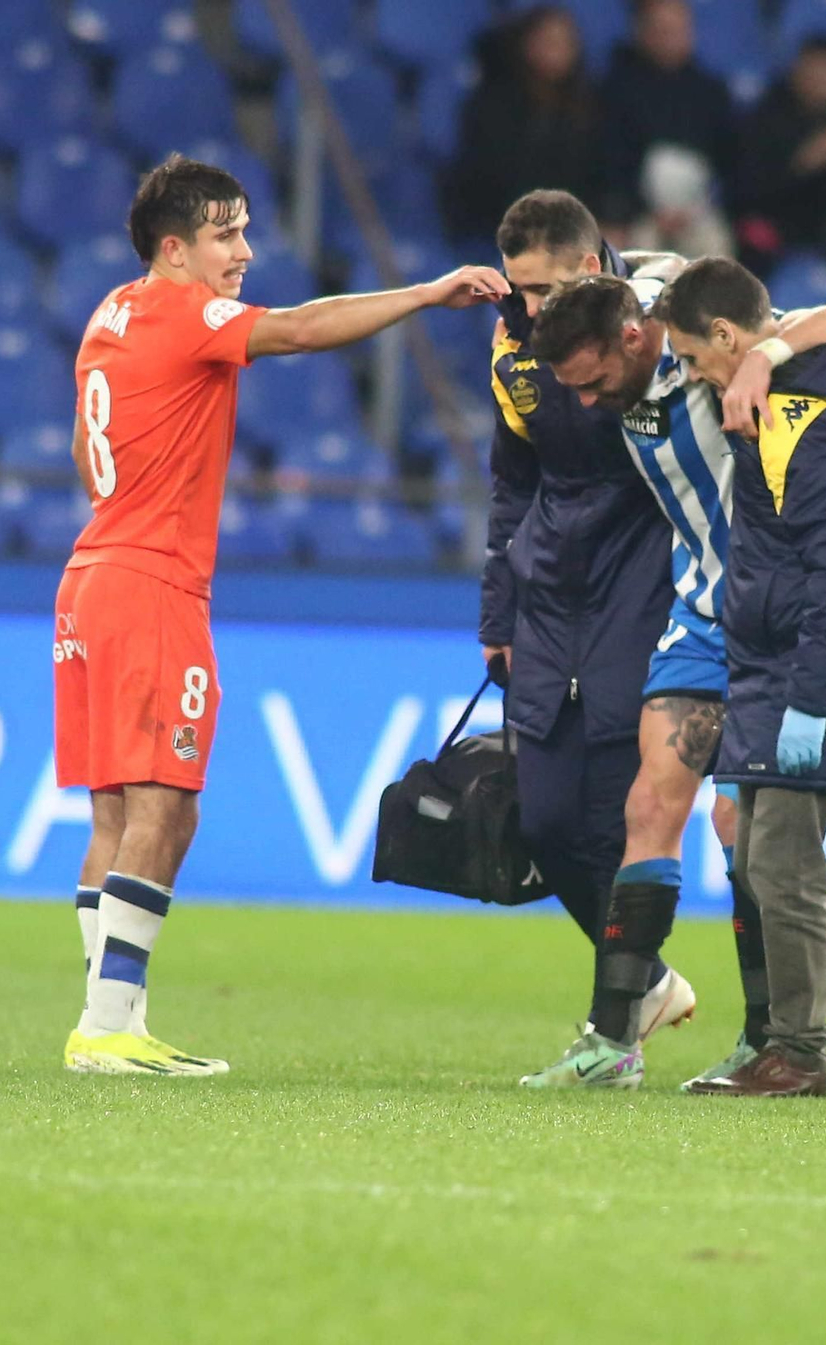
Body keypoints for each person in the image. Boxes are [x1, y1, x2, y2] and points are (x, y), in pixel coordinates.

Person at [57, 156, 507, 1075]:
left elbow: (81, 445)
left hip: (92, 572)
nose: (246, 251)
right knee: (164, 802)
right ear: (176, 249)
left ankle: (112, 1021)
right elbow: (299, 330)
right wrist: (425, 292)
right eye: (227, 235)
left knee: (119, 811)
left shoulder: (113, 311)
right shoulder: (185, 313)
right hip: (149, 585)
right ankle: (106, 1027)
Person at [519, 267, 826, 1091]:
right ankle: (616, 1037)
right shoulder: (628, 345)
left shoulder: (715, 351)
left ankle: (784, 1036)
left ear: (638, 339)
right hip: (713, 605)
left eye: (599, 380)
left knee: (753, 842)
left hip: (787, 618)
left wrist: (763, 355)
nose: (595, 401)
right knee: (664, 809)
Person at [481, 189, 695, 1054]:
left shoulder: (663, 311)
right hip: (548, 593)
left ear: (591, 266)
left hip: (643, 576)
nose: (528, 312)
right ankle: (644, 979)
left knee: (610, 814)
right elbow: (513, 482)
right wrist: (497, 610)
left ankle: (615, 1032)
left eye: (540, 292)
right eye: (517, 292)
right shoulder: (512, 349)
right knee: (544, 820)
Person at [446, 6, 605, 241]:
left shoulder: (587, 103)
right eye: (549, 42)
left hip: (575, 228)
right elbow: (491, 183)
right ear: (527, 46)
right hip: (507, 227)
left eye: (566, 42)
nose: (559, 51)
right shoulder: (493, 107)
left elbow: (600, 173)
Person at [733, 35, 826, 268]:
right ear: (799, 69)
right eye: (819, 69)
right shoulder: (768, 114)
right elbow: (749, 188)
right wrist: (809, 158)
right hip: (780, 224)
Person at [600, 0, 738, 247]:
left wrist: (699, 206)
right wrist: (637, 208)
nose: (670, 38)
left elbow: (731, 162)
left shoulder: (711, 92)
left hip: (699, 214)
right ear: (641, 32)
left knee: (716, 251)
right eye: (662, 30)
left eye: (678, 29)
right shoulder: (617, 90)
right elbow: (611, 162)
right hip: (639, 216)